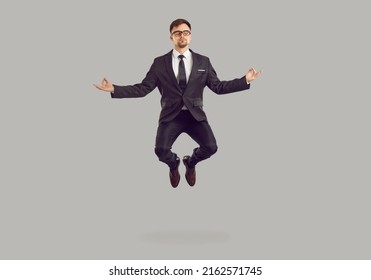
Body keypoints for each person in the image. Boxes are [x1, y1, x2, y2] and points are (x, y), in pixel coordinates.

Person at [94, 18, 262, 188]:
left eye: (186, 32)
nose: (182, 35)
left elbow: (218, 87)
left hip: (194, 115)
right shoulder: (159, 63)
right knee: (160, 151)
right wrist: (114, 88)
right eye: (177, 33)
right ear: (171, 37)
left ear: (191, 36)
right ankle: (174, 164)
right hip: (170, 116)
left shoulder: (204, 61)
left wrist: (245, 80)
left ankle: (190, 163)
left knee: (211, 147)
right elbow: (143, 88)